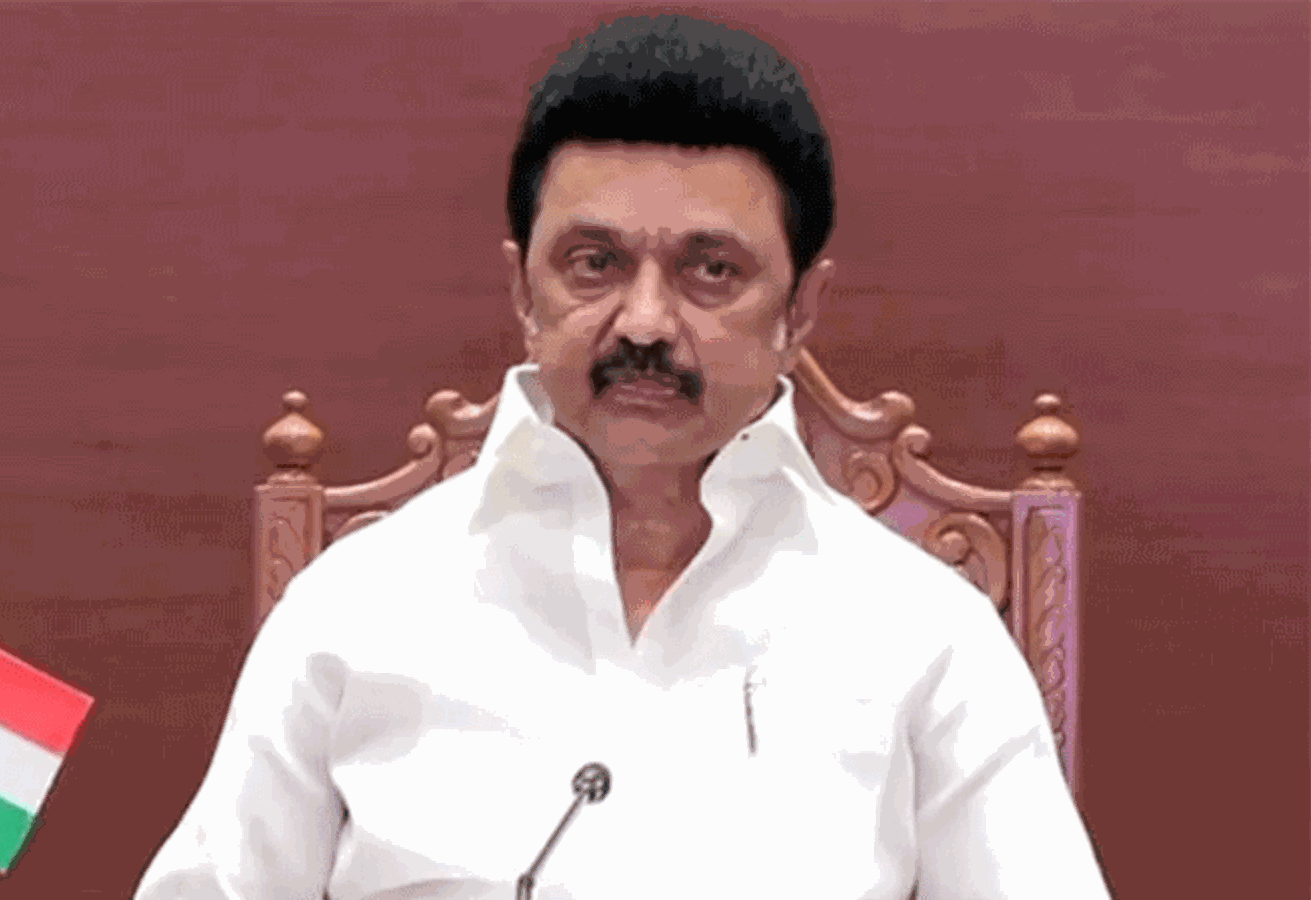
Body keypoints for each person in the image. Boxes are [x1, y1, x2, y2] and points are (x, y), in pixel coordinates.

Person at [135, 14, 1112, 899]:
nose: (644, 322)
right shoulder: (354, 609)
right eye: (594, 264)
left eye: (710, 270)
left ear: (801, 310)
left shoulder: (924, 636)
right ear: (523, 290)